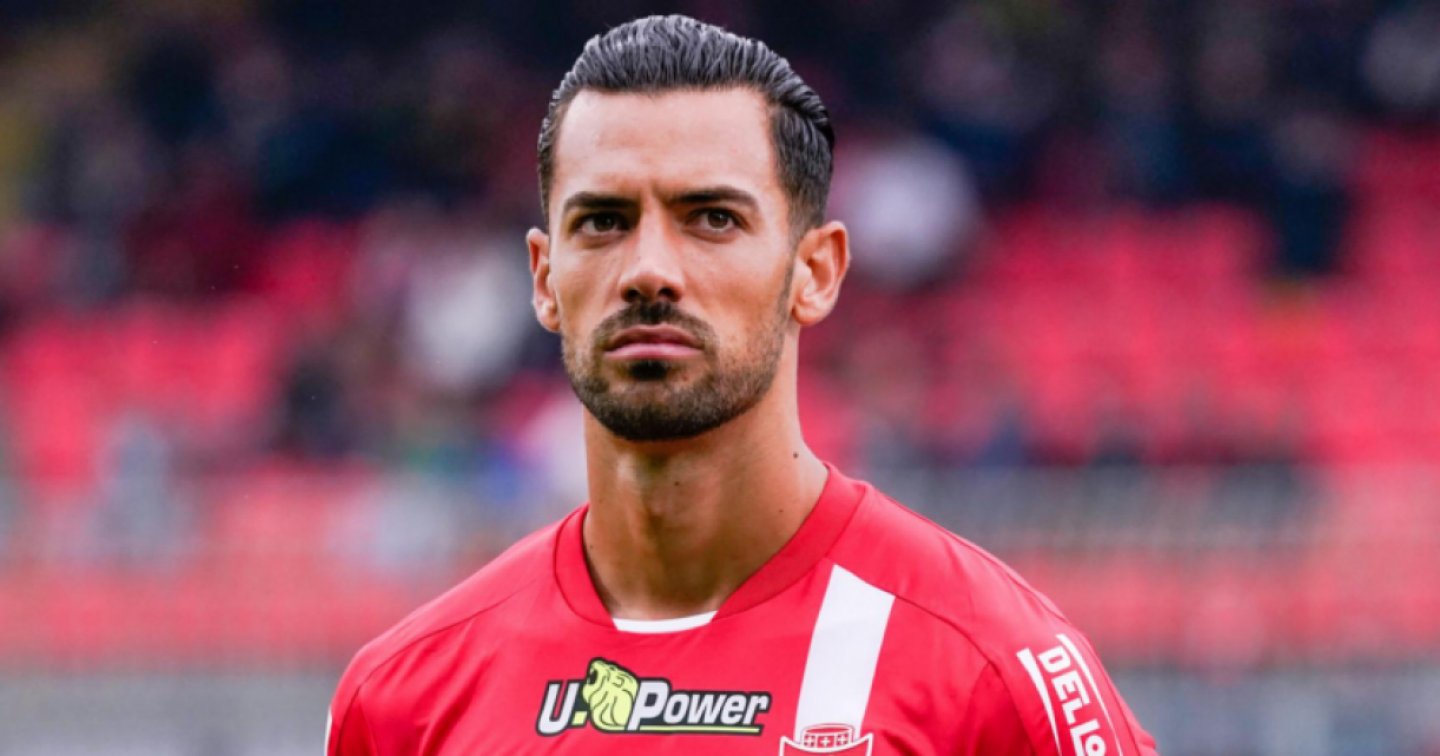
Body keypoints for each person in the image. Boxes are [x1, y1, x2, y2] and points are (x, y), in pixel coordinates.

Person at [327, 15, 1158, 755]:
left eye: (712, 219)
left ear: (815, 272)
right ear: (545, 279)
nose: (649, 269)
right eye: (604, 222)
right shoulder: (403, 700)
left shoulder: (994, 672)